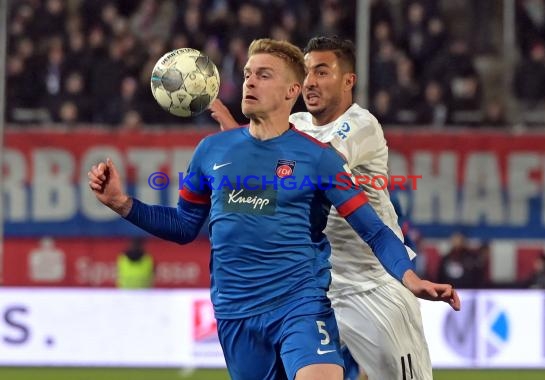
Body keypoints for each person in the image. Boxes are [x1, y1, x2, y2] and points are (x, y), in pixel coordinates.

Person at [89, 38, 459, 380]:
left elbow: (374, 229)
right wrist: (122, 204)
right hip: (237, 313)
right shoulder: (211, 151)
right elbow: (186, 226)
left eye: (263, 75)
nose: (249, 82)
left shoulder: (322, 155)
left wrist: (413, 280)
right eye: (248, 74)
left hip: (306, 302)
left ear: (289, 91)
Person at [210, 36, 452, 380]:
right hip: (313, 288)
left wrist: (235, 135)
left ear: (348, 81)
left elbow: (311, 169)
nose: (310, 82)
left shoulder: (361, 124)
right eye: (306, 73)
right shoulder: (299, 125)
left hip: (372, 288)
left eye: (322, 72)